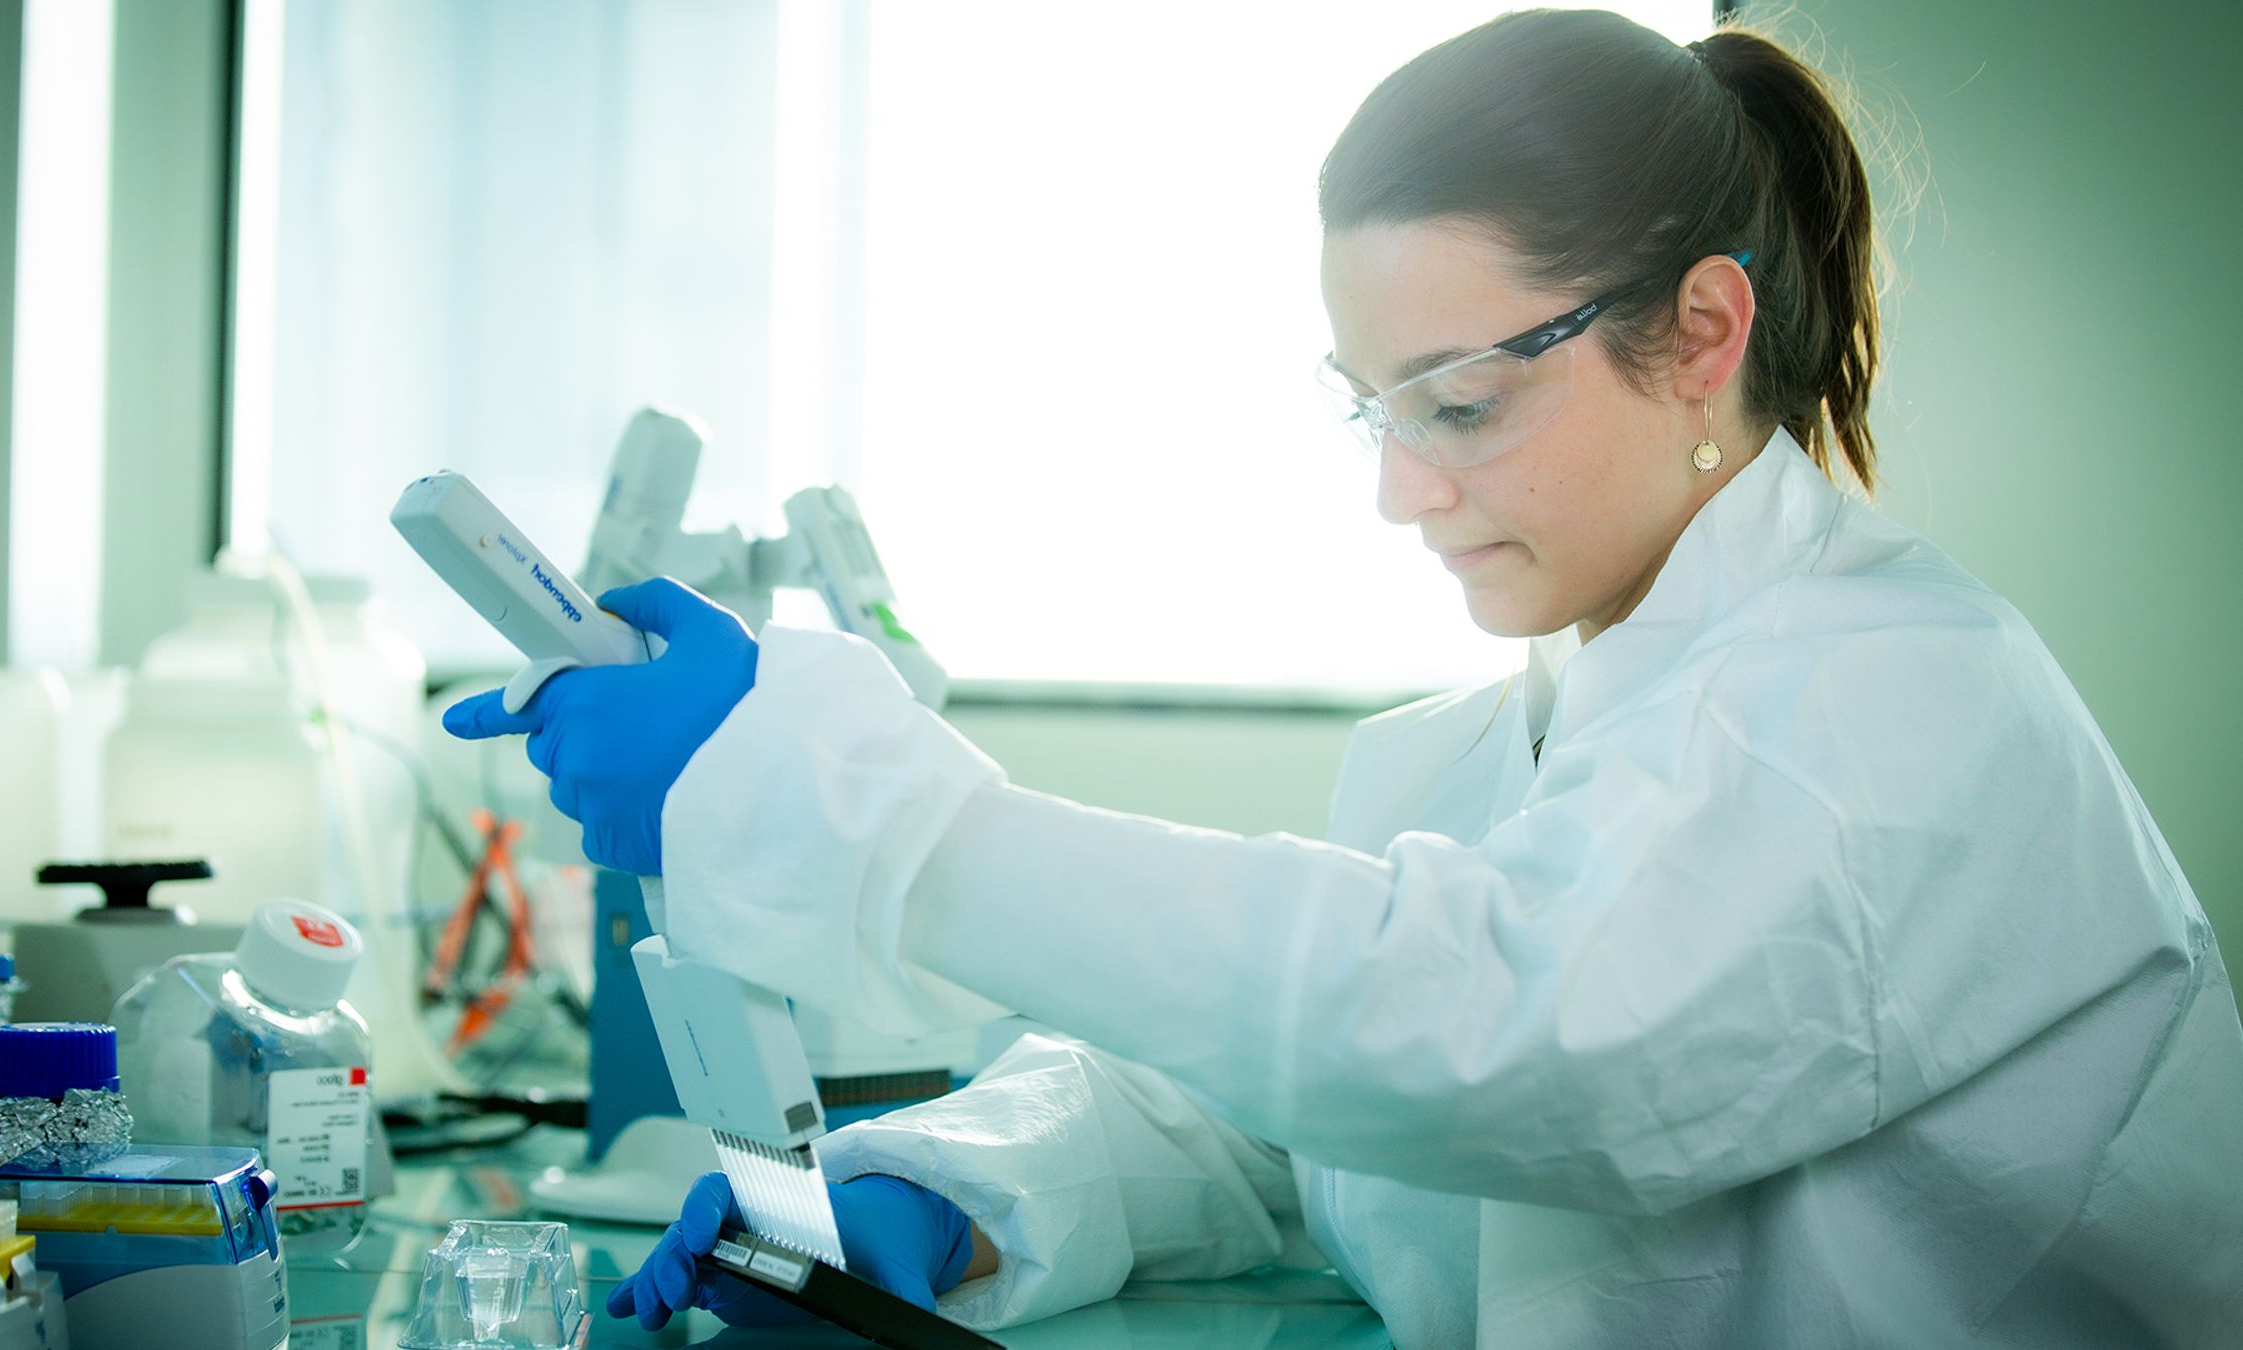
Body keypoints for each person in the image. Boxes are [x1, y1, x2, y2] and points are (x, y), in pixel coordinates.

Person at [446, 9, 2243, 1346]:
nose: (1402, 486)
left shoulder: (1899, 702)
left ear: (1703, 334)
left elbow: (1499, 1046)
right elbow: (1286, 1118)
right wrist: (948, 1186)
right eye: (1375, 408)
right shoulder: (1498, 752)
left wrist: (843, 799)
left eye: (1460, 404)